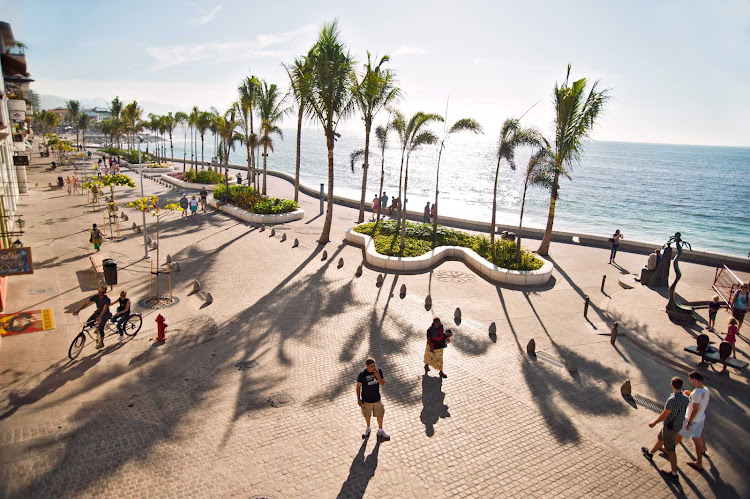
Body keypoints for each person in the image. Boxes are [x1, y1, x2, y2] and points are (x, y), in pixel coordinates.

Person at [641, 376, 689, 483]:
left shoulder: (671, 400)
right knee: (660, 438)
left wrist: (654, 423)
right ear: (681, 386)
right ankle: (650, 453)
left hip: (670, 427)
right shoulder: (685, 398)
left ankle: (674, 474)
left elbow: (665, 414)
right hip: (677, 425)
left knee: (671, 451)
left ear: (671, 385)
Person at [674, 371, 709, 472]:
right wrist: (691, 394)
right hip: (701, 418)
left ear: (694, 379)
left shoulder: (696, 393)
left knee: (679, 435)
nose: (690, 381)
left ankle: (669, 451)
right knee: (697, 437)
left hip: (692, 420)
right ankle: (702, 454)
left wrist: (689, 422)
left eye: (690, 379)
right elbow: (699, 400)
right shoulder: (705, 390)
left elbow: (695, 409)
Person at [356, 358, 389, 440]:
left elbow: (382, 383)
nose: (374, 368)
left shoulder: (378, 371)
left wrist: (378, 376)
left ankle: (380, 430)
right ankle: (368, 428)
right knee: (367, 415)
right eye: (372, 366)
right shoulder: (362, 374)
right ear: (367, 366)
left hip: (377, 399)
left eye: (374, 365)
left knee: (380, 414)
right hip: (367, 400)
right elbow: (358, 387)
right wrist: (358, 399)